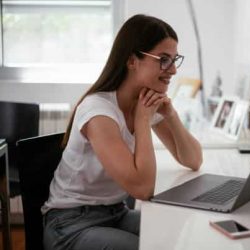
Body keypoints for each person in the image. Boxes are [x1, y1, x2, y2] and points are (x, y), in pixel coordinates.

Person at [42, 14, 203, 250]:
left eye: (174, 59)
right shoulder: (99, 112)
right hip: (71, 223)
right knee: (147, 247)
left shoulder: (144, 102)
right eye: (163, 59)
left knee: (174, 231)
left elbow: (193, 159)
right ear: (132, 61)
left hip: (116, 213)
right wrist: (142, 119)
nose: (173, 70)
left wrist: (171, 115)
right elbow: (143, 189)